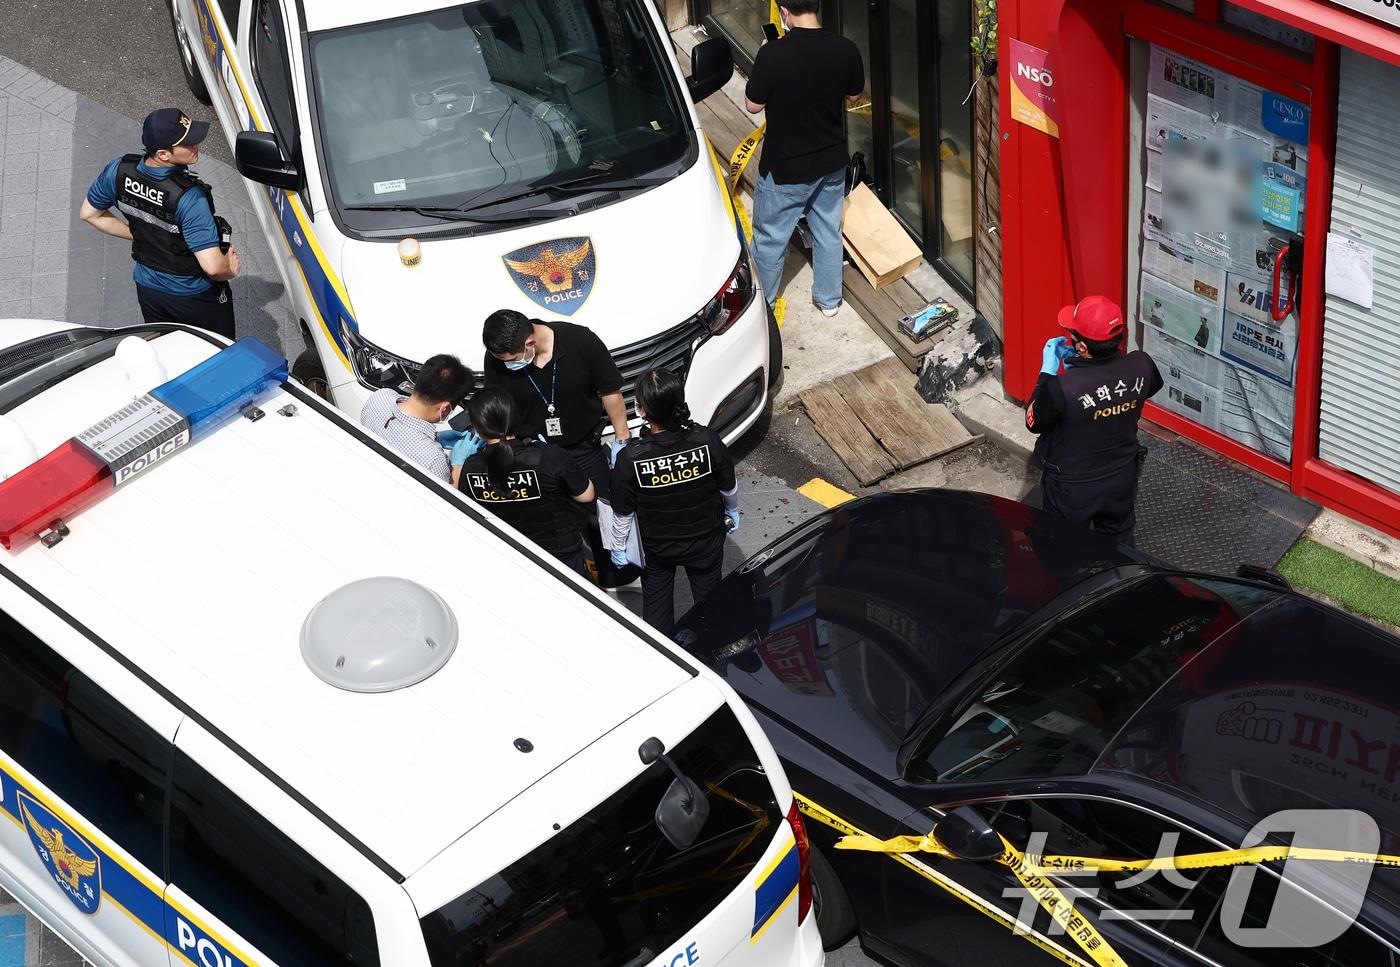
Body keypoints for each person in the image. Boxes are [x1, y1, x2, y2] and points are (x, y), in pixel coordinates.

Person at [744, 0, 864, 318]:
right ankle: (829, 300)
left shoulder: (772, 54)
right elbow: (855, 95)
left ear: (784, 12)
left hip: (785, 169)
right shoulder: (846, 48)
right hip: (830, 163)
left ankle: (763, 307)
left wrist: (764, 57)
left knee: (770, 240)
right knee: (827, 231)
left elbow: (752, 105)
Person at [79, 108, 241, 338]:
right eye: (188, 144)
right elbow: (213, 267)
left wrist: (140, 234)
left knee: (165, 346)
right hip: (194, 296)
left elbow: (89, 214)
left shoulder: (118, 171)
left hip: (149, 292)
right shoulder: (190, 198)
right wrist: (230, 270)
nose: (196, 145)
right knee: (217, 352)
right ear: (164, 154)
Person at [1025, 295, 1163, 544]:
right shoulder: (1142, 364)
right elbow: (1147, 388)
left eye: (1073, 335)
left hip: (1072, 487)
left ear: (1082, 347)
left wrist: (1046, 373)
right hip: (1121, 475)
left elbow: (1033, 422)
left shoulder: (1061, 388)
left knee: (1063, 548)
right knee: (1119, 548)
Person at [610, 368, 739, 634]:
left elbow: (622, 513)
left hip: (657, 551)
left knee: (657, 615)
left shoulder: (630, 458)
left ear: (642, 410)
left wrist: (618, 547)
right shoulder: (706, 440)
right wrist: (732, 510)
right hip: (705, 543)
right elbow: (728, 485)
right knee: (711, 608)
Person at [481, 310, 631, 495]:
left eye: (512, 360)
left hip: (584, 450)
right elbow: (496, 407)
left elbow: (610, 390)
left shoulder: (580, 340)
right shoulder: (495, 360)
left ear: (530, 343)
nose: (508, 365)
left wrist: (622, 439)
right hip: (535, 458)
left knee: (600, 504)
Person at [457, 388, 595, 573]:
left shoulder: (470, 467)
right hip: (560, 557)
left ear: (477, 428)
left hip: (507, 559)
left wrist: (457, 466)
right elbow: (586, 495)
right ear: (515, 417)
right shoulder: (548, 456)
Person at [360, 354, 480, 484]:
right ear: (444, 408)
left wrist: (436, 437)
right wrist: (458, 465)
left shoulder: (380, 397)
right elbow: (447, 495)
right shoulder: (433, 460)